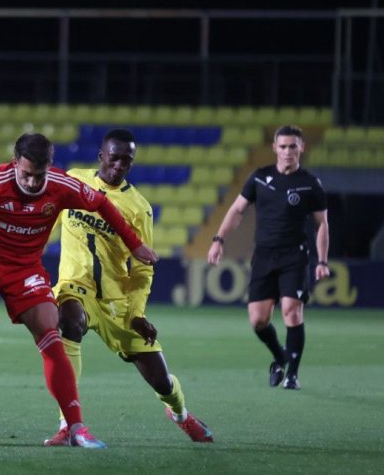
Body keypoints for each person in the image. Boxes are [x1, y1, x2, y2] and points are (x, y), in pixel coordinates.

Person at [0, 133, 159, 449]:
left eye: (40, 175)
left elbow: (102, 203)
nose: (34, 183)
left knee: (50, 332)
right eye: (26, 175)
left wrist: (136, 244)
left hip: (25, 268)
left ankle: (76, 427)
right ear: (15, 164)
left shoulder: (62, 185)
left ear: (49, 167)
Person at [44, 128, 213, 445]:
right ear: (101, 156)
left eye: (127, 160)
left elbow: (142, 269)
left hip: (117, 302)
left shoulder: (138, 207)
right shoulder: (74, 180)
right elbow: (47, 221)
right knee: (68, 321)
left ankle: (181, 414)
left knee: (162, 382)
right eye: (114, 157)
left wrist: (136, 313)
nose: (120, 165)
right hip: (75, 287)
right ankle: (68, 425)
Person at [207, 124, 329, 390]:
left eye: (293, 146)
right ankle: (279, 357)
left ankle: (293, 375)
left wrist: (322, 261)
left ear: (301, 148)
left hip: (294, 256)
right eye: (283, 146)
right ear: (274, 148)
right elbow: (237, 210)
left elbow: (322, 224)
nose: (287, 152)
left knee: (291, 311)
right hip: (263, 256)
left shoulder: (309, 184)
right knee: (258, 320)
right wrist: (218, 240)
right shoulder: (260, 178)